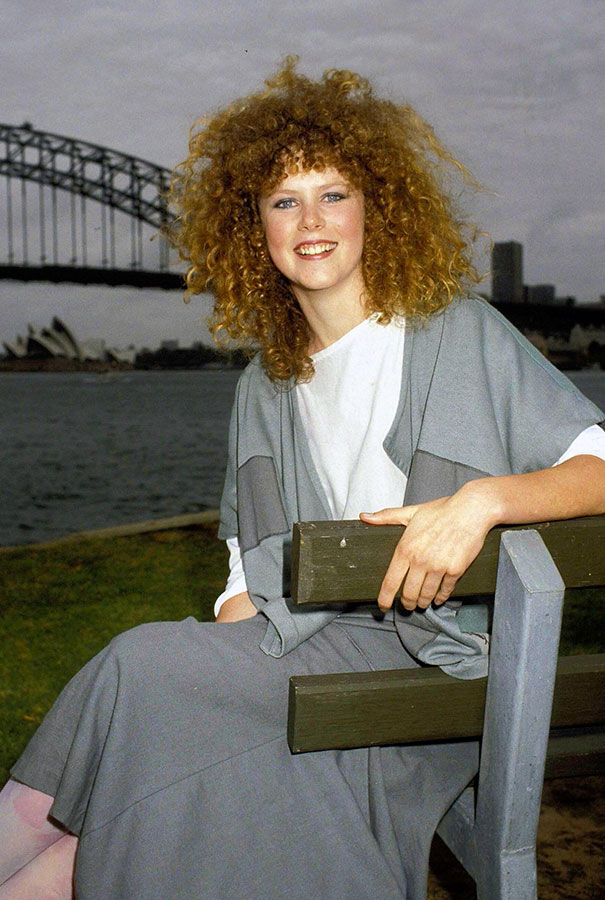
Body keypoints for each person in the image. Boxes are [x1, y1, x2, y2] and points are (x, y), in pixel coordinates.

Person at [1, 59, 604, 899]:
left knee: (141, 665)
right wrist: (231, 649)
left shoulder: (457, 332)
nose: (310, 220)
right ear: (254, 229)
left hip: (433, 679)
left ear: (376, 209)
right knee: (154, 773)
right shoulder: (264, 383)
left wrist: (485, 501)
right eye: (284, 200)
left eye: (334, 194)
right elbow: (246, 567)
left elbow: (598, 463)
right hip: (301, 666)